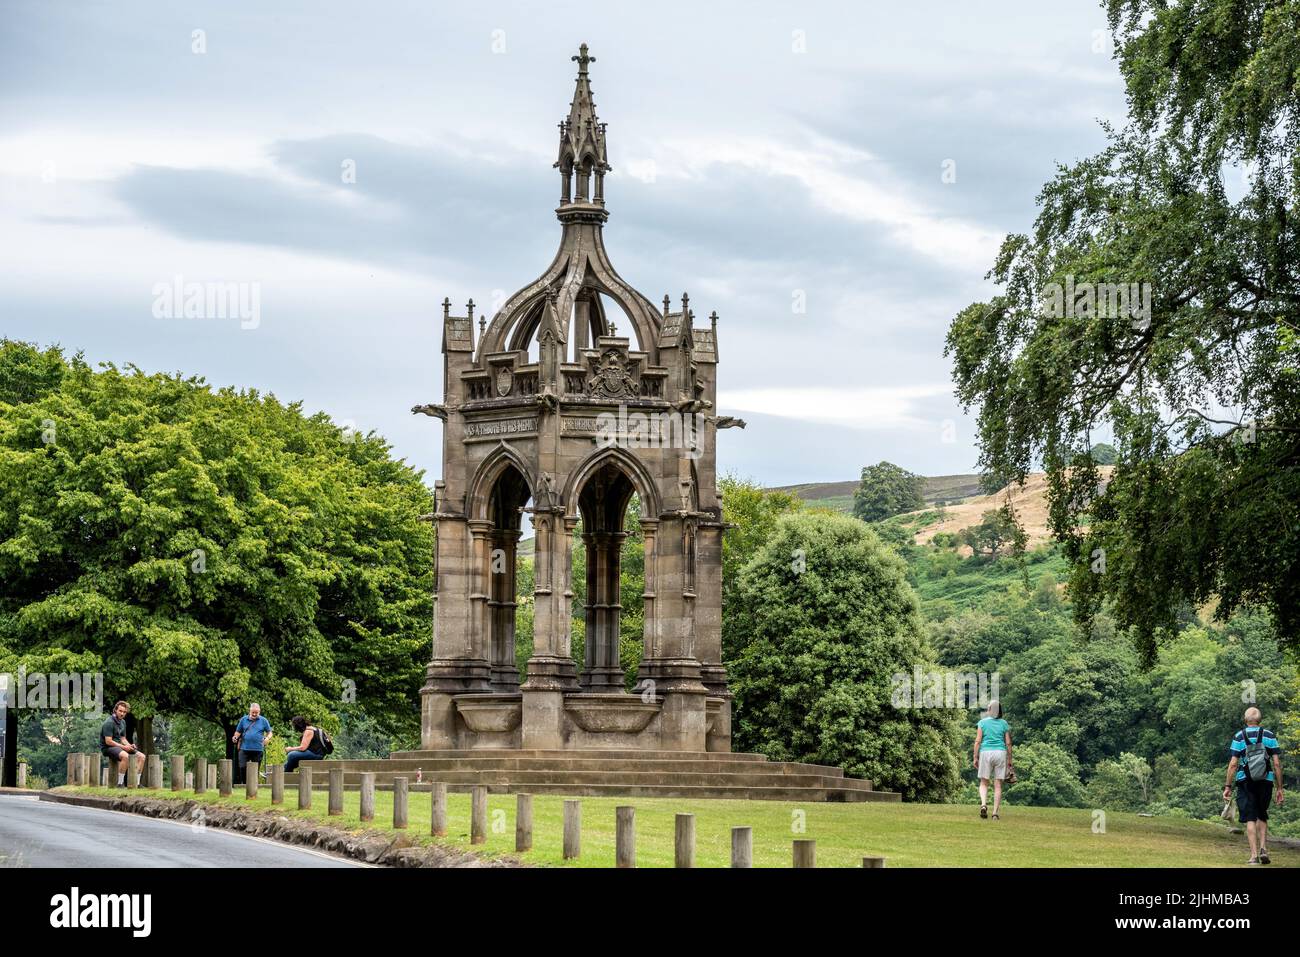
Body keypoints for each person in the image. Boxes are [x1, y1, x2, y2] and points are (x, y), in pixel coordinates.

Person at [1223, 707, 1284, 865]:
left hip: (1245, 781)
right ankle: (1264, 849)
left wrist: (1228, 786)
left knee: (1250, 817)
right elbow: (1276, 764)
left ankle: (1254, 856)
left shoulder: (1239, 736)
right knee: (1262, 814)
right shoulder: (1269, 735)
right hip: (1266, 780)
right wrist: (1279, 788)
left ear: (1245, 720)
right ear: (1260, 720)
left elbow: (1233, 764)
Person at [973, 699, 1012, 820]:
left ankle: (984, 804)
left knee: (984, 782)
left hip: (985, 752)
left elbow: (978, 741)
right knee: (998, 785)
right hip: (1000, 753)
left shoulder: (982, 723)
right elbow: (1008, 743)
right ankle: (995, 813)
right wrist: (1010, 759)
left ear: (990, 710)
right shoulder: (1004, 723)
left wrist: (975, 757)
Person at [101, 700, 145, 786]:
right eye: (120, 711)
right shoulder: (109, 722)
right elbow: (108, 741)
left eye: (124, 712)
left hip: (119, 746)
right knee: (126, 756)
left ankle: (137, 783)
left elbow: (123, 738)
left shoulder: (123, 722)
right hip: (108, 748)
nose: (122, 713)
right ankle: (120, 784)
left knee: (142, 757)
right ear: (115, 710)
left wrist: (129, 745)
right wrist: (124, 747)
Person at [231, 703, 272, 785]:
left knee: (255, 769)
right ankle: (245, 785)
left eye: (256, 713)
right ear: (249, 711)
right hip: (244, 748)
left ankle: (253, 786)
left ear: (259, 712)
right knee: (242, 767)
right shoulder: (243, 719)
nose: (254, 714)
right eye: (253, 712)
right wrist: (235, 737)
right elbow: (238, 732)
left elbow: (270, 732)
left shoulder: (264, 720)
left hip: (257, 749)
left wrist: (267, 738)